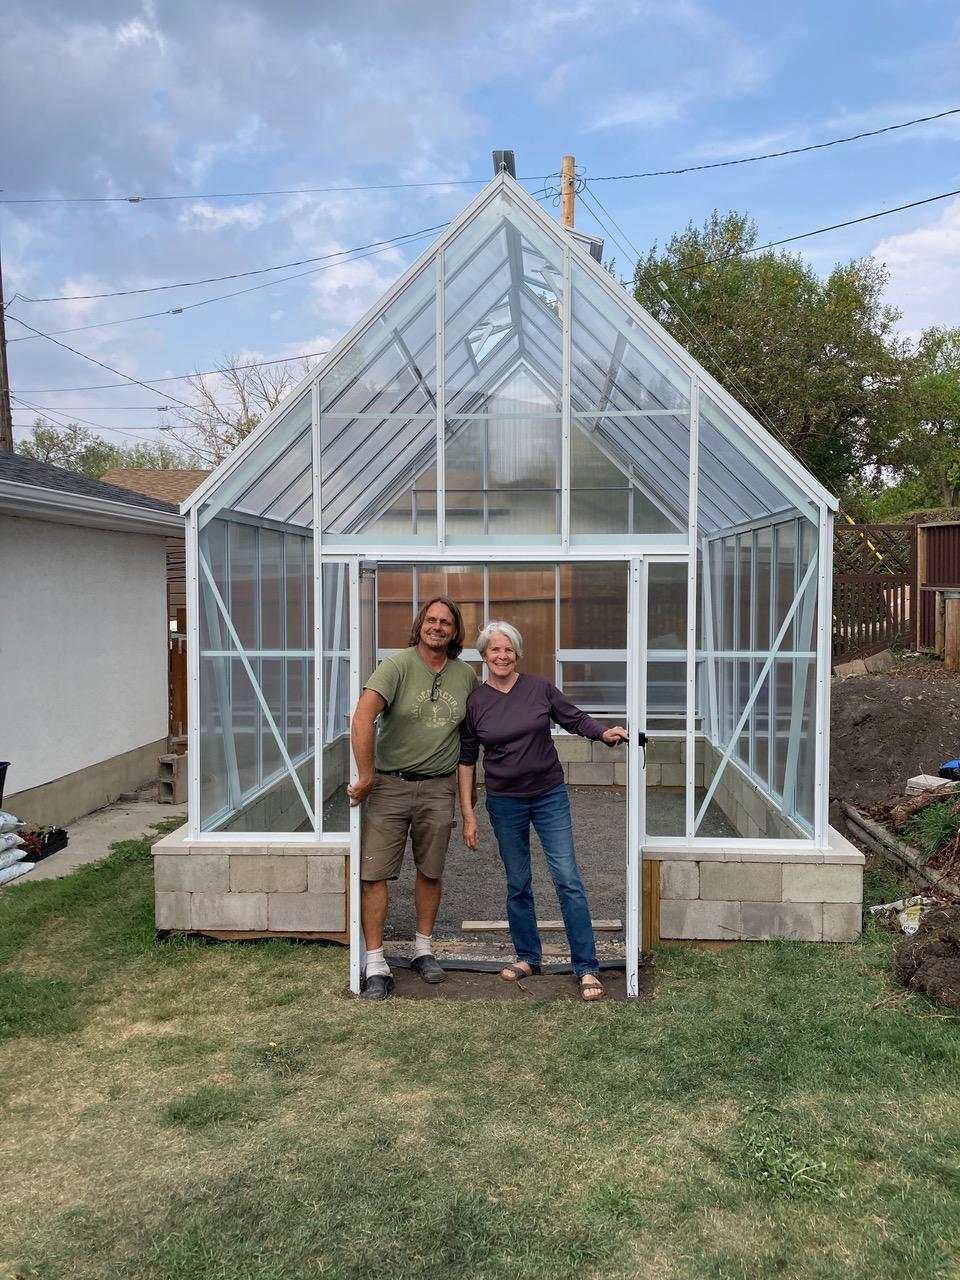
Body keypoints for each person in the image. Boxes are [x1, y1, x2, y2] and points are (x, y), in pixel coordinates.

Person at [458, 621, 627, 1002]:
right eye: (494, 650)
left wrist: (603, 732)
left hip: (548, 795)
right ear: (483, 656)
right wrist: (468, 813)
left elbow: (574, 718)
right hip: (504, 802)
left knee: (567, 878)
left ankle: (586, 966)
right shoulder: (476, 703)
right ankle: (528, 957)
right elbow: (467, 759)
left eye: (508, 650)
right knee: (518, 882)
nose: (502, 656)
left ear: (518, 653)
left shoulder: (539, 688)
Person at [348, 596, 479, 1000]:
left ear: (455, 632)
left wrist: (467, 802)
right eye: (431, 620)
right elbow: (362, 715)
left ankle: (423, 949)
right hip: (390, 785)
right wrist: (368, 775)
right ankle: (376, 963)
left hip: (439, 787)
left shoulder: (466, 676)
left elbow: (472, 739)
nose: (437, 627)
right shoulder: (397, 666)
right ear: (420, 624)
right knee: (374, 873)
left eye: (446, 622)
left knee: (431, 869)